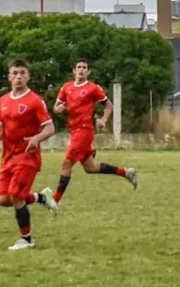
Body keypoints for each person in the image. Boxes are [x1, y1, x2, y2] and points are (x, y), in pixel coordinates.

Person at [0, 60, 58, 250]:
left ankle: (27, 239)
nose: (19, 77)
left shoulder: (35, 101)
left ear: (28, 77)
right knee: (3, 200)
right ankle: (41, 197)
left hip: (27, 157)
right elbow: (2, 129)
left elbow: (50, 128)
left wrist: (36, 139)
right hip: (8, 157)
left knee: (15, 195)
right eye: (15, 73)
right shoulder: (3, 101)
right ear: (9, 77)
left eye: (22, 73)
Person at [51, 59, 138, 205]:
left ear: (88, 71)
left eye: (85, 67)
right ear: (74, 70)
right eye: (79, 67)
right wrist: (59, 108)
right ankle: (126, 172)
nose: (81, 70)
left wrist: (103, 119)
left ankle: (54, 201)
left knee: (66, 164)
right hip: (74, 131)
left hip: (85, 130)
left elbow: (109, 105)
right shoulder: (66, 87)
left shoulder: (93, 88)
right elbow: (56, 106)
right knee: (91, 168)